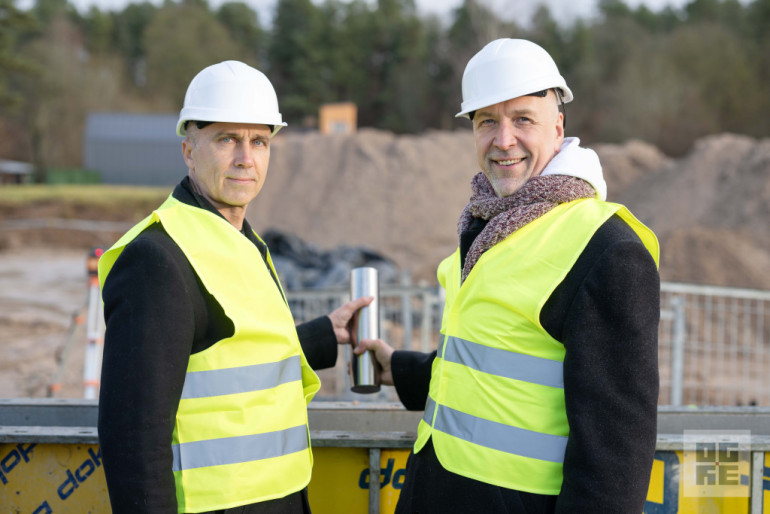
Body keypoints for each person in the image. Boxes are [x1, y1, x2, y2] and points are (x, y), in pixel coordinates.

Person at [354, 38, 660, 513]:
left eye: (522, 120)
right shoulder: (488, 221)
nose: (503, 140)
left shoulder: (607, 249)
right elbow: (492, 359)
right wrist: (402, 369)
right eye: (487, 122)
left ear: (557, 128)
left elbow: (614, 457)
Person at [97, 60, 371, 514]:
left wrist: (325, 334)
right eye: (227, 139)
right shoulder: (158, 258)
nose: (246, 158)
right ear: (188, 149)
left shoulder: (240, 239)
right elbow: (133, 436)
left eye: (259, 141)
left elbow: (231, 354)